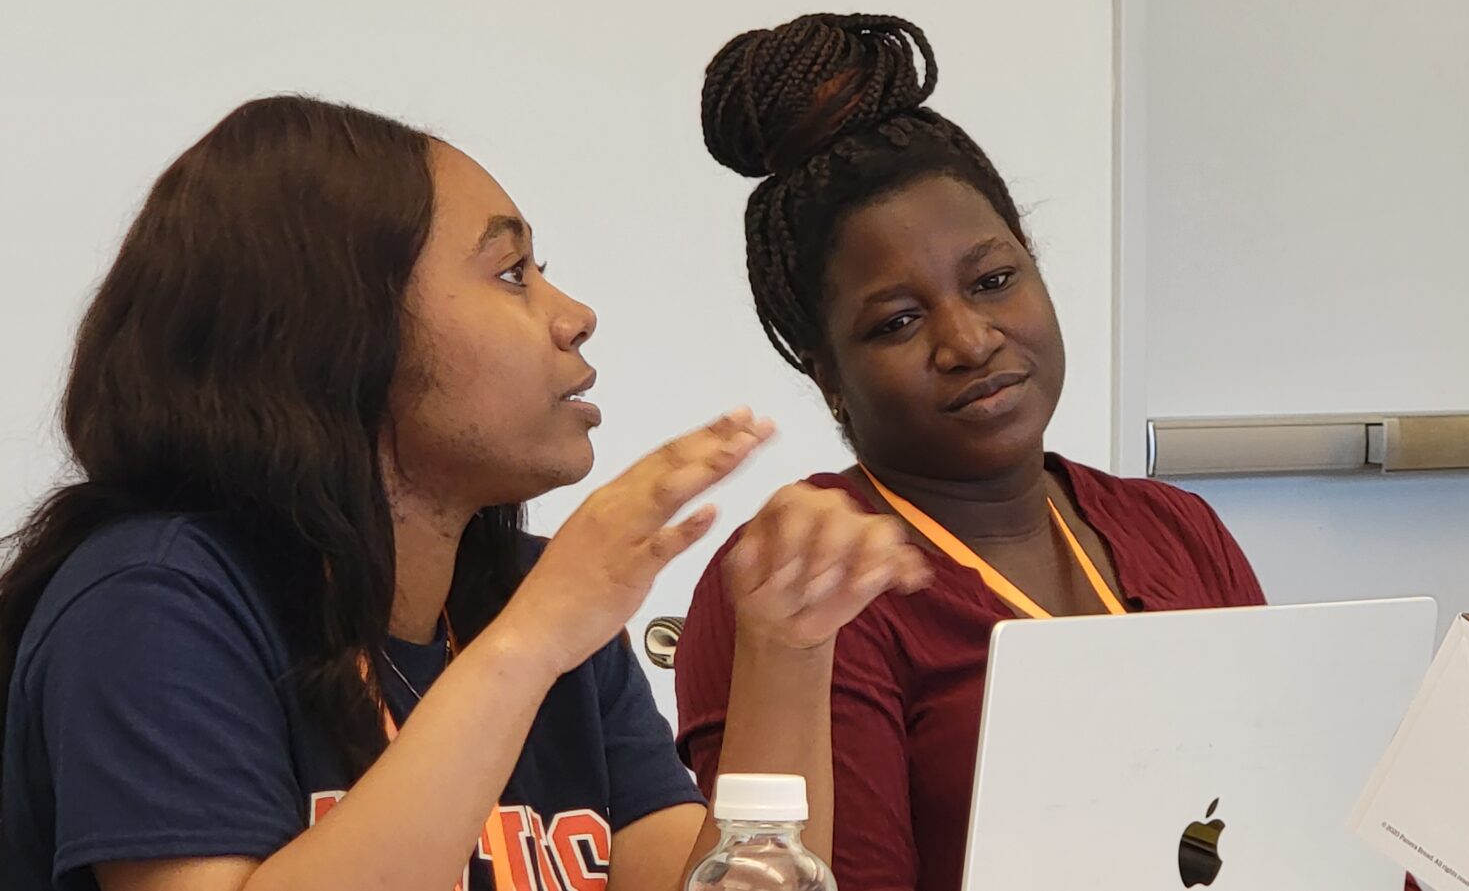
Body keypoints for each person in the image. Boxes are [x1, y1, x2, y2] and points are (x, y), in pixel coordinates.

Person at [0, 96, 928, 891]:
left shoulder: (525, 592)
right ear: (338, 336)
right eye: (512, 273)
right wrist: (534, 640)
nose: (574, 314)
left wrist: (786, 648)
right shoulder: (153, 599)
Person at [672, 14, 1268, 891]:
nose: (969, 339)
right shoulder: (807, 578)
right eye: (898, 322)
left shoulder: (1176, 527)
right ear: (826, 372)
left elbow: (1295, 808)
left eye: (994, 280)